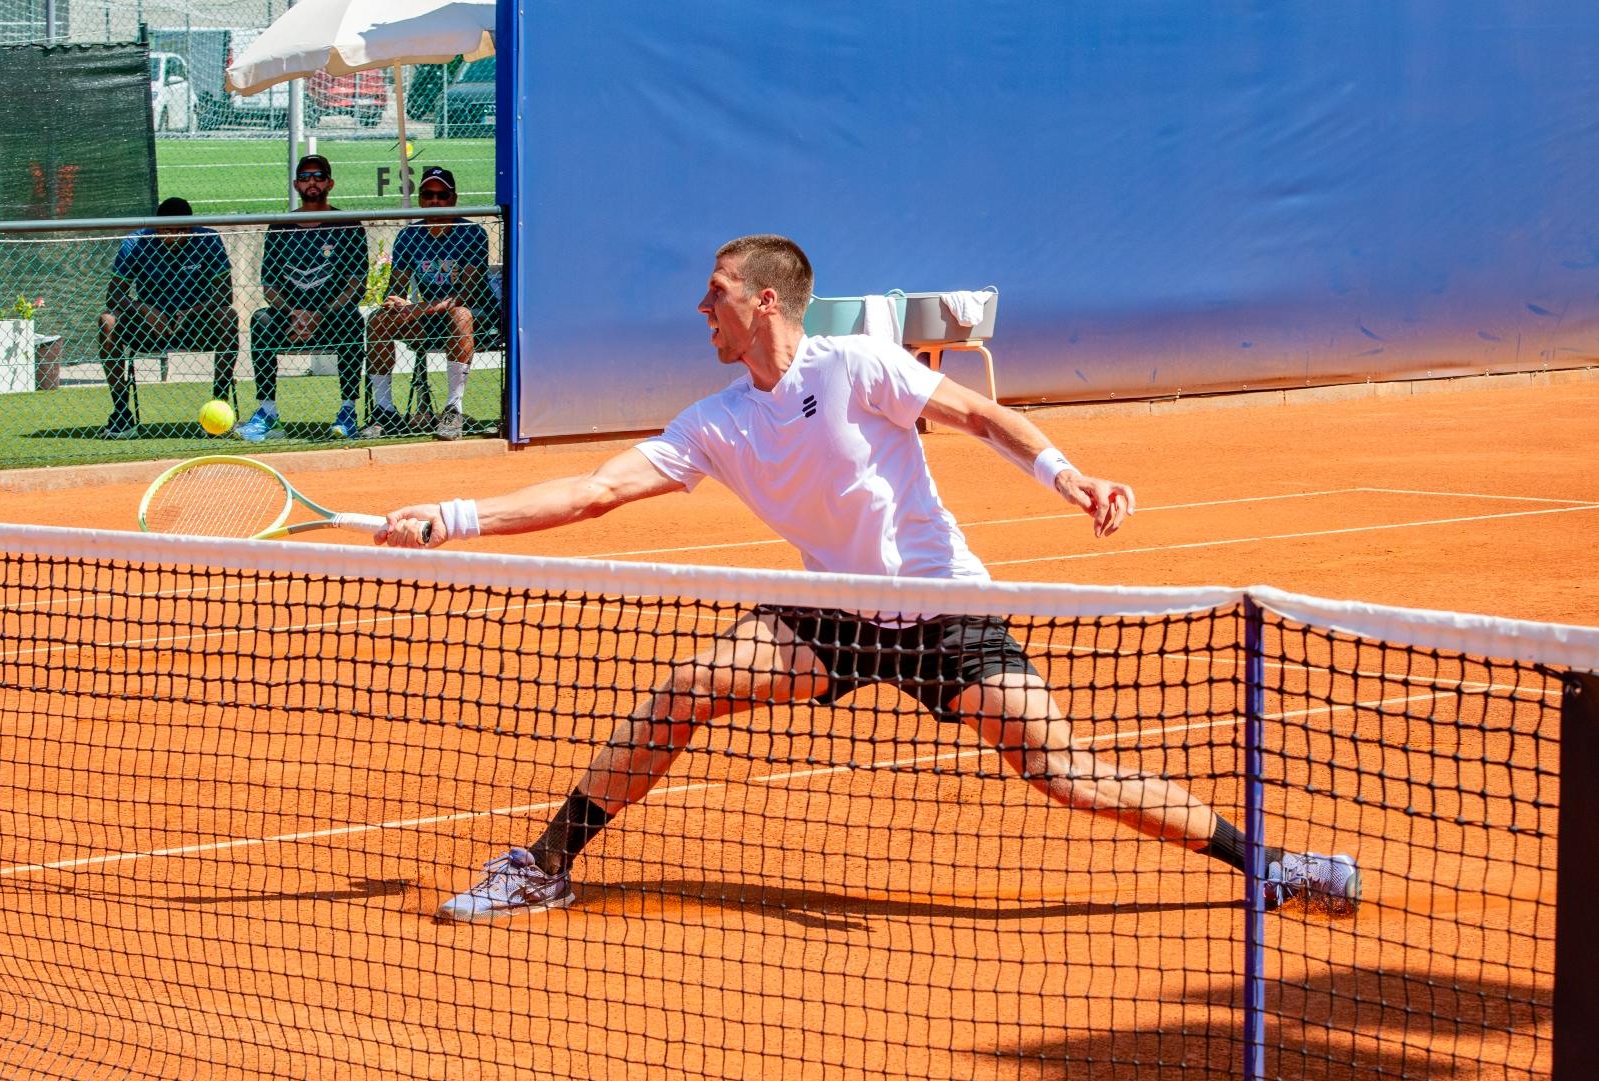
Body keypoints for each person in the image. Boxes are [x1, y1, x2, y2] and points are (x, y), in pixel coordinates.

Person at [377, 234, 1362, 922]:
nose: (701, 310)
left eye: (714, 292)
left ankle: (1267, 866)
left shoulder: (857, 365)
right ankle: (545, 865)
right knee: (682, 692)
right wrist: (452, 517)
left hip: (948, 613)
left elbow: (980, 416)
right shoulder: (716, 419)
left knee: (1064, 771)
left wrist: (1069, 475)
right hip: (832, 615)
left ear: (764, 299)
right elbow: (595, 490)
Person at [237, 154, 370, 442]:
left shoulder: (347, 224)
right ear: (296, 184)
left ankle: (348, 411)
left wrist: (320, 312)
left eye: (319, 176)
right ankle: (267, 412)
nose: (312, 181)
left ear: (330, 183)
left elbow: (356, 285)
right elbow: (269, 286)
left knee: (353, 320)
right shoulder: (280, 227)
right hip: (289, 319)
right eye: (306, 176)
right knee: (261, 319)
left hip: (332, 317)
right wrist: (294, 312)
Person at [360, 166, 493, 441]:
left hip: (476, 318)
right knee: (377, 319)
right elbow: (395, 288)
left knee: (460, 315)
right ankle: (385, 412)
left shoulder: (472, 234)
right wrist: (396, 303)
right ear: (420, 198)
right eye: (428, 194)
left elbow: (465, 294)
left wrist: (419, 308)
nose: (435, 201)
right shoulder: (410, 235)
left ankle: (453, 409)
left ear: (453, 199)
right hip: (428, 317)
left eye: (442, 195)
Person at [95, 196, 238, 440]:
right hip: (149, 328)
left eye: (180, 230)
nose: (172, 236)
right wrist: (145, 310)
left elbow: (226, 293)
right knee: (107, 321)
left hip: (195, 324)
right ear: (156, 226)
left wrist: (190, 312)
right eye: (166, 229)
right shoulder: (136, 241)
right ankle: (121, 411)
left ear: (191, 228)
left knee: (228, 316)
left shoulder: (208, 239)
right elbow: (114, 295)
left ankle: (219, 404)